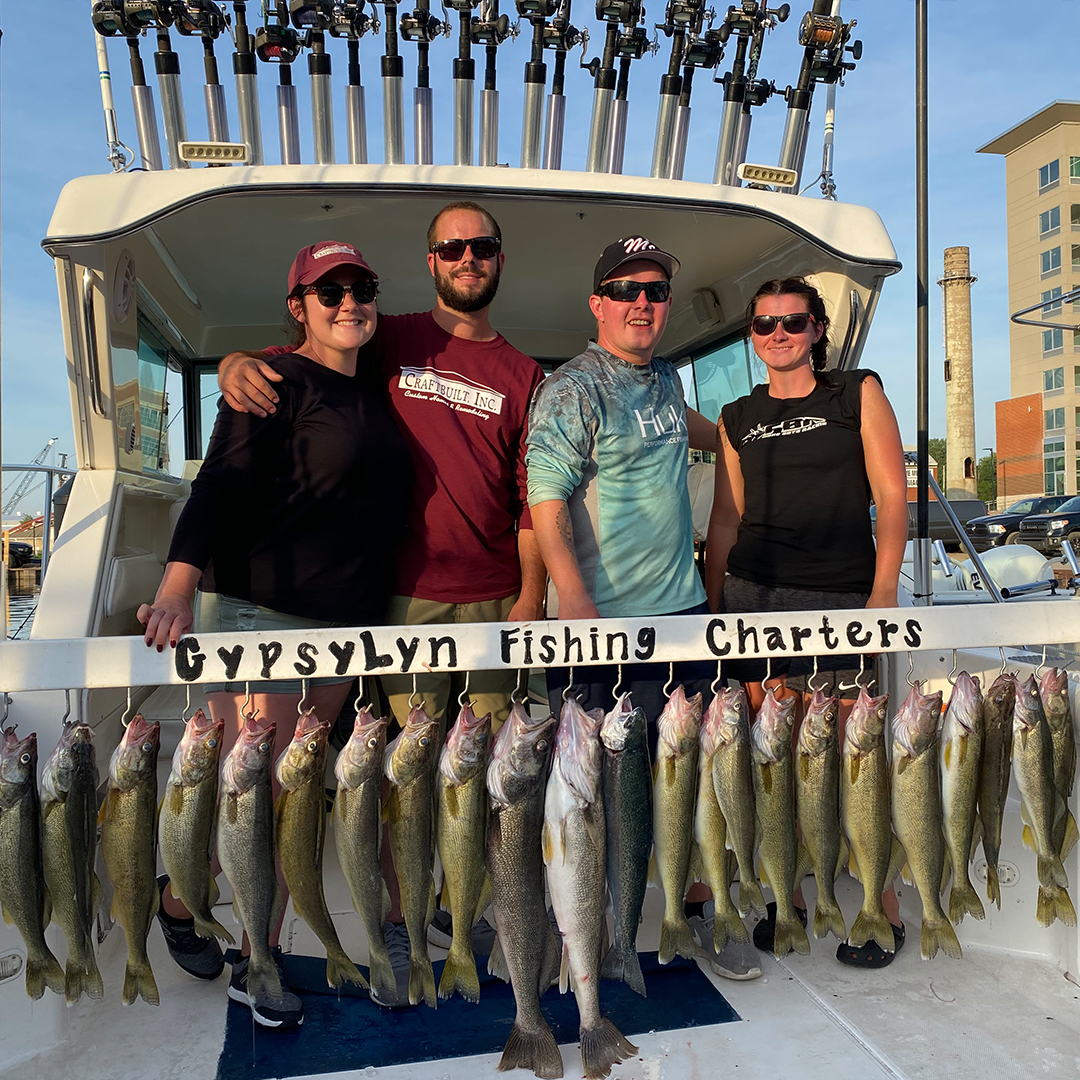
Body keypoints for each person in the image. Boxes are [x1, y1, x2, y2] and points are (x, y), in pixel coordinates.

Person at [216, 202, 546, 983]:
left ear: (500, 259)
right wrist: (236, 362)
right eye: (452, 247)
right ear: (431, 262)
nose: (468, 258)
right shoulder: (392, 335)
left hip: (496, 596)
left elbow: (532, 497)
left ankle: (478, 912)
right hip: (405, 600)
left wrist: (532, 596)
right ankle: (399, 917)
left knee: (498, 772)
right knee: (407, 773)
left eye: (482, 246)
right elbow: (304, 354)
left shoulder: (526, 373)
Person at [138, 241, 410, 1027]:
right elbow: (218, 481)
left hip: (341, 626)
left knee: (289, 803)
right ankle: (239, 949)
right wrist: (176, 588)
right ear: (299, 306)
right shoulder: (275, 378)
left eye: (362, 286)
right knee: (262, 800)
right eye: (329, 290)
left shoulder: (372, 383)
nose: (348, 300)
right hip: (262, 615)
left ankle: (205, 910)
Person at [525, 236, 756, 980]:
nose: (643, 304)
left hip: (683, 614)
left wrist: (747, 431)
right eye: (626, 291)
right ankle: (593, 940)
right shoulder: (573, 387)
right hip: (605, 627)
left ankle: (694, 915)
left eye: (655, 291)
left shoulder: (662, 383)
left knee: (687, 784)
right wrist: (576, 601)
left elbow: (693, 432)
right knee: (597, 801)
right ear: (598, 304)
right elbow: (544, 495)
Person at [706, 275, 909, 968]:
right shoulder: (737, 415)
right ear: (751, 338)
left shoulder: (857, 393)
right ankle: (786, 898)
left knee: (857, 762)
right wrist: (714, 607)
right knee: (775, 761)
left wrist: (883, 597)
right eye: (765, 325)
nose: (780, 334)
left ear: (818, 330)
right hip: (754, 599)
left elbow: (890, 495)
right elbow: (727, 517)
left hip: (844, 600)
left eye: (793, 322)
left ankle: (881, 909)